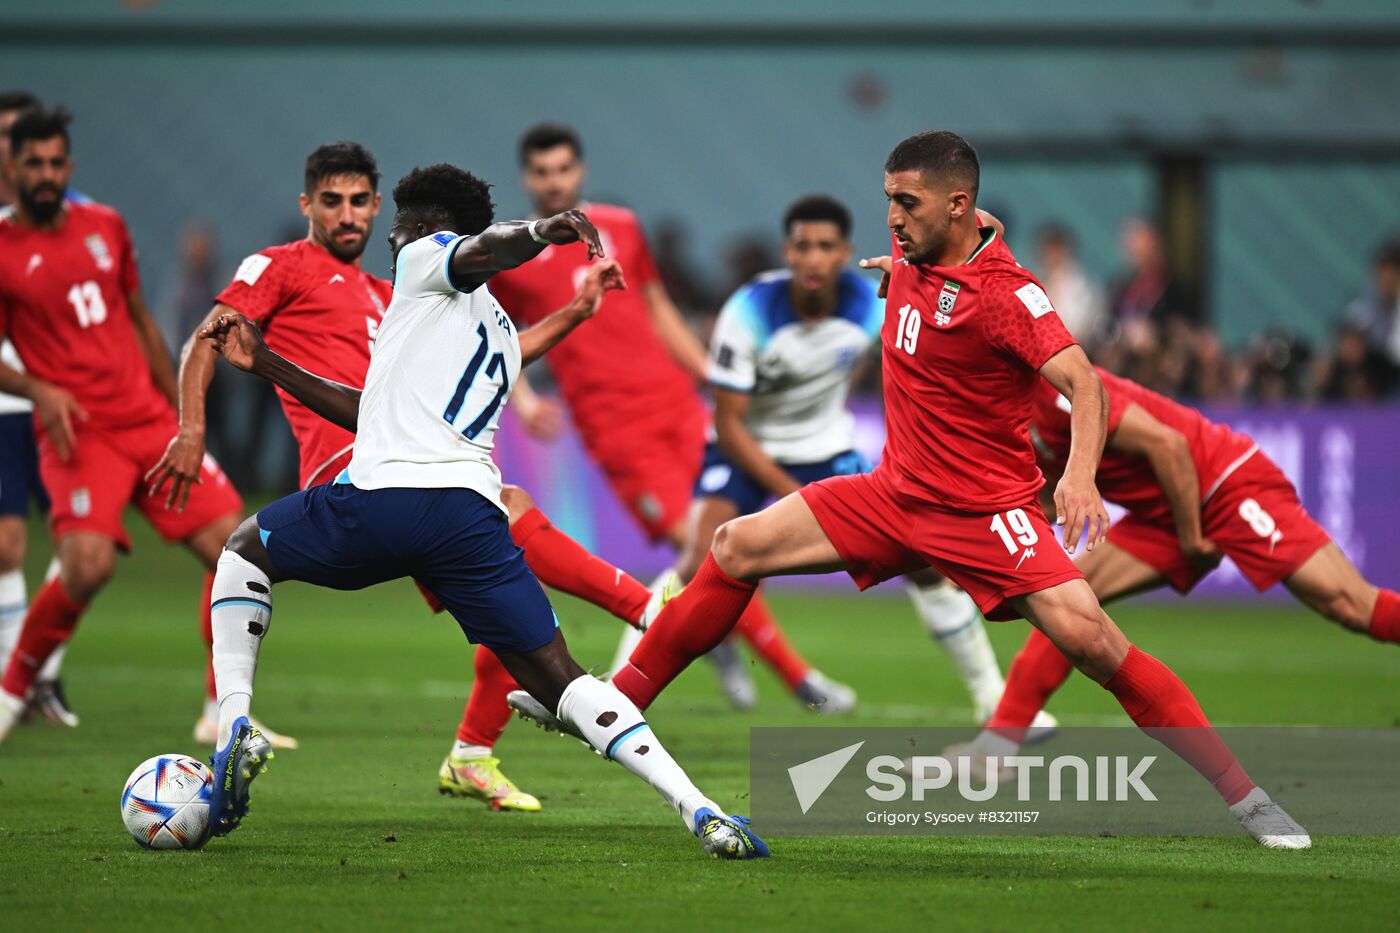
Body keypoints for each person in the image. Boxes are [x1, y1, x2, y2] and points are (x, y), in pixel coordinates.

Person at [518, 131, 1311, 849]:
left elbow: (1084, 385)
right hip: (893, 494)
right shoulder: (929, 251)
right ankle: (607, 705)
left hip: (988, 514)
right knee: (734, 546)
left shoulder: (1009, 295)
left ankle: (1248, 799)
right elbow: (956, 240)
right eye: (889, 199)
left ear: (958, 205)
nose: (892, 217)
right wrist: (909, 256)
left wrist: (1074, 475)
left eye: (907, 203)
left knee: (1097, 645)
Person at [196, 164, 768, 859]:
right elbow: (365, 410)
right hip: (469, 522)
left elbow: (483, 248)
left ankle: (234, 722)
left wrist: (541, 232)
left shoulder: (423, 257)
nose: (391, 238)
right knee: (565, 678)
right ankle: (700, 806)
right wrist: (268, 364)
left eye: (398, 222)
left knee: (243, 551)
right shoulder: (494, 327)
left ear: (422, 226)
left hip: (378, 503)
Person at [149, 141, 665, 810]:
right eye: (331, 201)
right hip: (361, 470)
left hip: (402, 456)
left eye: (360, 200)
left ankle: (472, 752)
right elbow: (212, 333)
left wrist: (575, 312)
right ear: (306, 205)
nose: (349, 215)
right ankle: (648, 609)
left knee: (510, 608)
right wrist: (191, 427)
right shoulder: (281, 266)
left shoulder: (389, 291)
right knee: (504, 510)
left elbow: (499, 353)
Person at [490, 123, 852, 712]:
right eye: (541, 172)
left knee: (726, 540)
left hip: (679, 405)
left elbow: (658, 307)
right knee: (706, 545)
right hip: (616, 432)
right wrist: (525, 402)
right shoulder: (516, 257)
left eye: (562, 170)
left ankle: (716, 640)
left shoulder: (623, 229)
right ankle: (796, 676)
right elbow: (502, 337)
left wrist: (713, 377)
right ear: (527, 178)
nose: (553, 182)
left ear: (578, 171)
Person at [689, 192, 1055, 729]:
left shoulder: (873, 301)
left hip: (826, 447)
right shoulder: (748, 311)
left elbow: (936, 328)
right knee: (697, 558)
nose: (813, 259)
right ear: (786, 252)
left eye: (826, 247)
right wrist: (792, 492)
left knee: (927, 566)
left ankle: (992, 699)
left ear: (845, 253)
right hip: (746, 447)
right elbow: (728, 422)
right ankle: (616, 692)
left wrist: (957, 244)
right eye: (802, 246)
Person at [978, 366, 1400, 744]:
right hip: (1163, 513)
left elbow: (1170, 446)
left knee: (1346, 603)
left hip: (1223, 483)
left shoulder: (1060, 391)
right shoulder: (1003, 412)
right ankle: (997, 747)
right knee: (1069, 608)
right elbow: (1045, 497)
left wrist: (1192, 539)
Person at [0, 105, 245, 746]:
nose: (46, 174)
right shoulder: (2, 251)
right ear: (11, 167)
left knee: (238, 550)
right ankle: (10, 694)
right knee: (86, 568)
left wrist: (183, 416)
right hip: (79, 433)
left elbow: (141, 321)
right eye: (34, 163)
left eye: (57, 162)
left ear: (69, 165)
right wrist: (35, 387)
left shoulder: (105, 225)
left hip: (147, 419)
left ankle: (223, 711)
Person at [1034, 224, 1106, 344]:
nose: (1050, 255)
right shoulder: (1037, 279)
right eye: (1047, 250)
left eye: (1054, 249)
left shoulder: (1081, 285)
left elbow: (1079, 327)